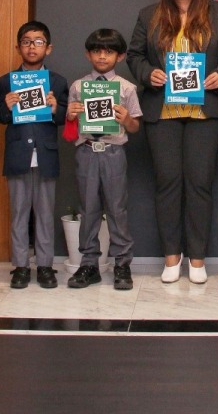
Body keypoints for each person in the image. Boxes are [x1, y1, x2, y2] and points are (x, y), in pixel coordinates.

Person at [127, 0, 218, 284]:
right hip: (162, 110)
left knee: (199, 184)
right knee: (167, 183)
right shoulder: (149, 14)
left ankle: (197, 259)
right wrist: (147, 73)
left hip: (205, 110)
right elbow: (135, 55)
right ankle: (171, 258)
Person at [66, 29, 142, 290]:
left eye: (108, 51)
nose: (102, 56)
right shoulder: (78, 87)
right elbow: (70, 129)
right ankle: (89, 264)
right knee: (88, 209)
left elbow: (135, 127)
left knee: (117, 209)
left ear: (119, 56)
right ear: (88, 54)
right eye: (97, 51)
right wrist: (70, 115)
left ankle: (122, 263)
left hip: (113, 151)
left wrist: (126, 119)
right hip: (87, 150)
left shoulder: (126, 88)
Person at [0, 21, 68, 290]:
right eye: (26, 42)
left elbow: (65, 118)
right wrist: (6, 106)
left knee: (45, 213)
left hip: (45, 154)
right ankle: (21, 266)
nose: (32, 47)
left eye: (38, 42)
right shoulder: (7, 81)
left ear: (48, 48)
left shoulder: (57, 81)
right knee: (19, 212)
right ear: (18, 47)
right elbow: (0, 117)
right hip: (18, 154)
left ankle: (46, 266)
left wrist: (55, 108)